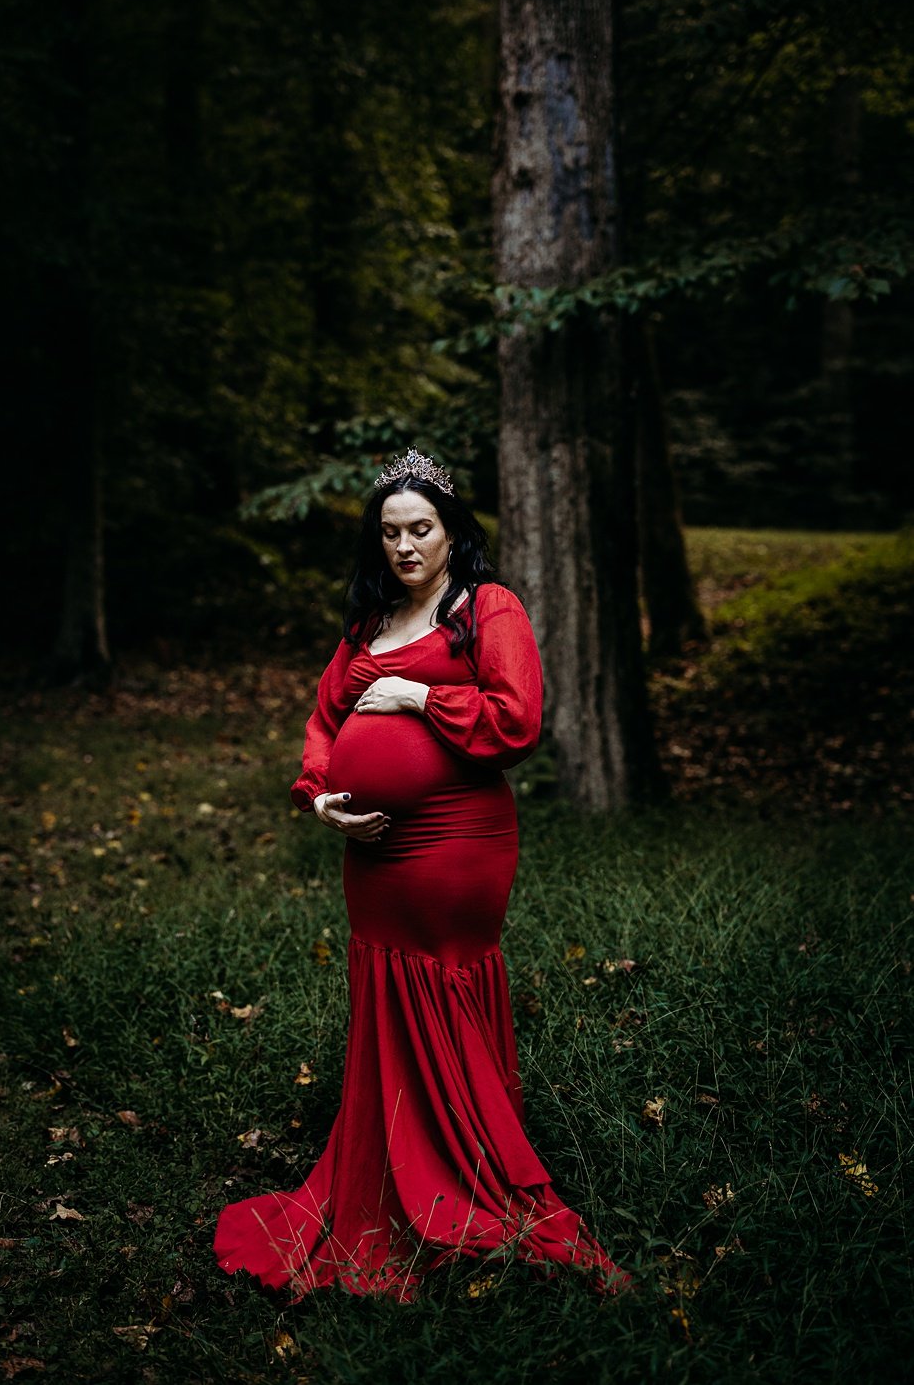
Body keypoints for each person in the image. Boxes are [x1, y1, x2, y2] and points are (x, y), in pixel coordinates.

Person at [212, 446, 631, 1302]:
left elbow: (517, 721)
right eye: (391, 533)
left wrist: (415, 697)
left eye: (421, 529)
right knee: (387, 995)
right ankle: (390, 1173)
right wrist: (319, 797)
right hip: (372, 860)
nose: (405, 547)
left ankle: (477, 1176)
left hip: (457, 842)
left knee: (444, 985)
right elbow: (324, 720)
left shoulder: (489, 609)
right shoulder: (368, 626)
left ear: (451, 532)